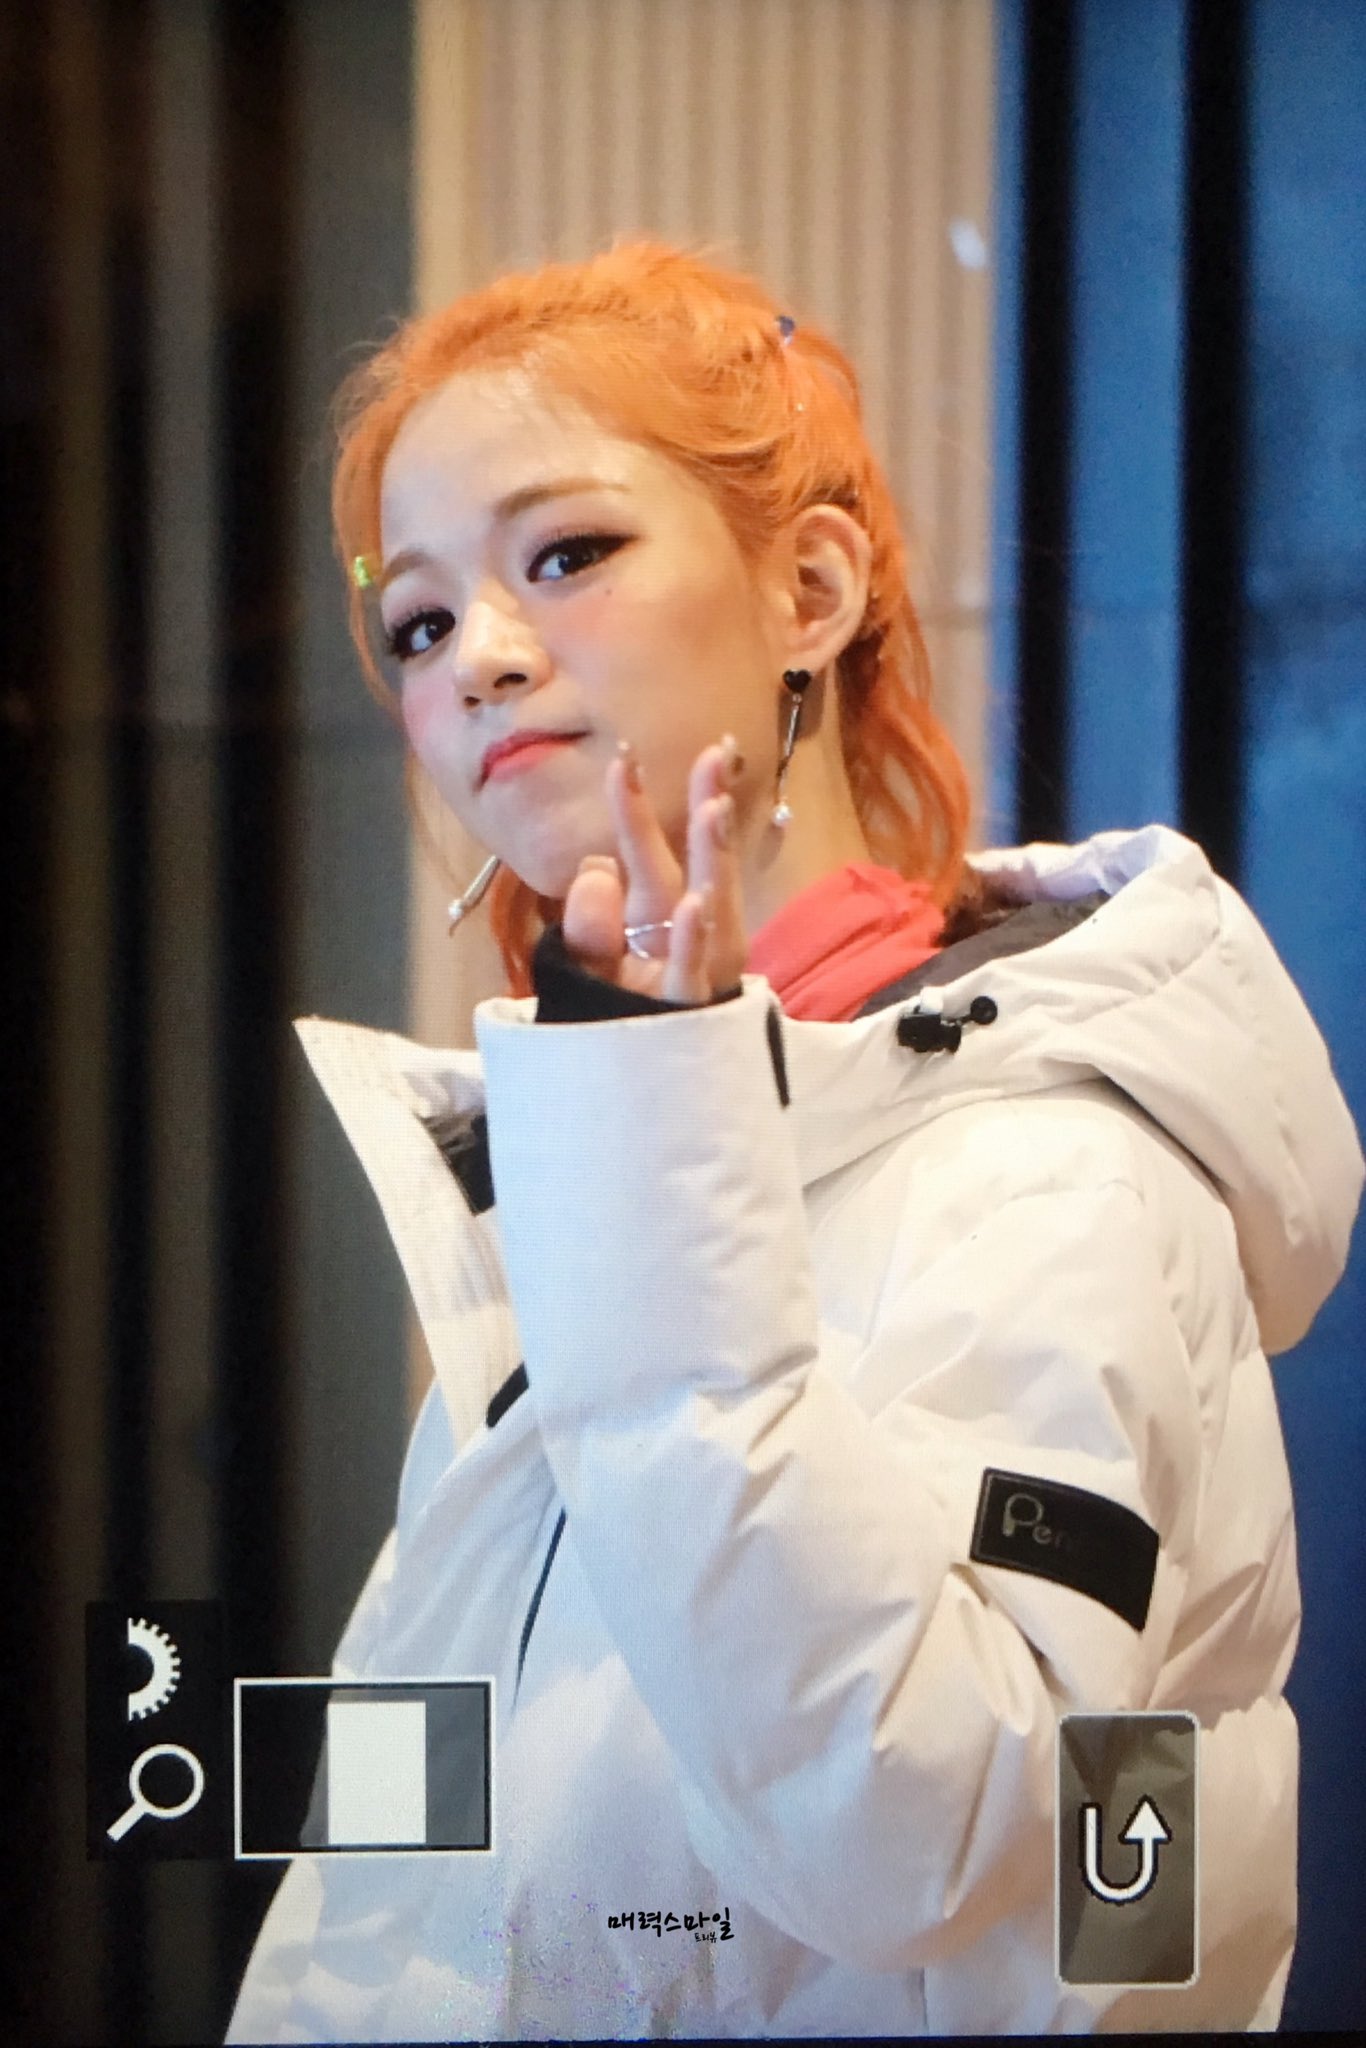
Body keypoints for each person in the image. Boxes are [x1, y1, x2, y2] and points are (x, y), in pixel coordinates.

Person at [226, 239, 1363, 2041]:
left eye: (566, 554)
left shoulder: (1049, 1164)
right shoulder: (588, 1162)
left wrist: (648, 1138)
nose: (479, 661)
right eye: (418, 624)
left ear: (809, 590)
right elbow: (412, 1892)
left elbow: (927, 1839)